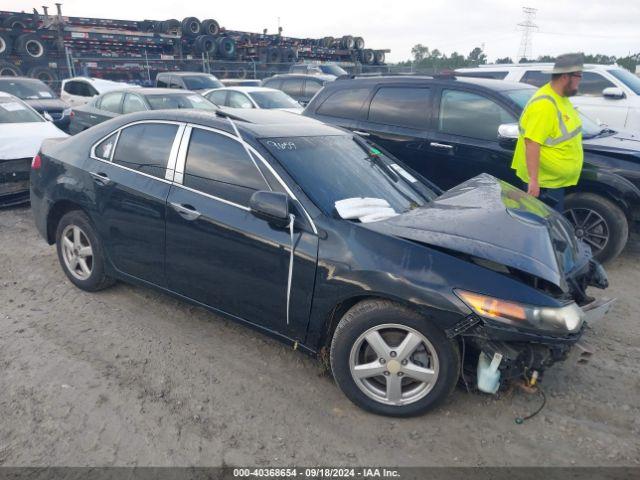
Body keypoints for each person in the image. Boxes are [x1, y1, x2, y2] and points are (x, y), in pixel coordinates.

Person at [511, 53, 585, 212]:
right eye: (579, 76)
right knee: (543, 227)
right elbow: (531, 142)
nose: (581, 80)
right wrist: (534, 181)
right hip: (543, 185)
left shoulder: (560, 98)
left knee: (551, 226)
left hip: (553, 182)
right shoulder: (545, 104)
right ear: (566, 77)